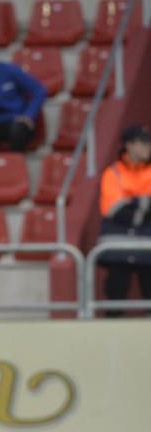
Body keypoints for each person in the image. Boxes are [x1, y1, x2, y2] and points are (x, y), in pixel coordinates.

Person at [98, 125, 151, 316]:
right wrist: (144, 206)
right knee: (115, 297)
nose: (148, 147)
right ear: (129, 145)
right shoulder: (112, 173)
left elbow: (125, 208)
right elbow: (114, 210)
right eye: (143, 143)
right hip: (118, 247)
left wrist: (132, 203)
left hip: (148, 245)